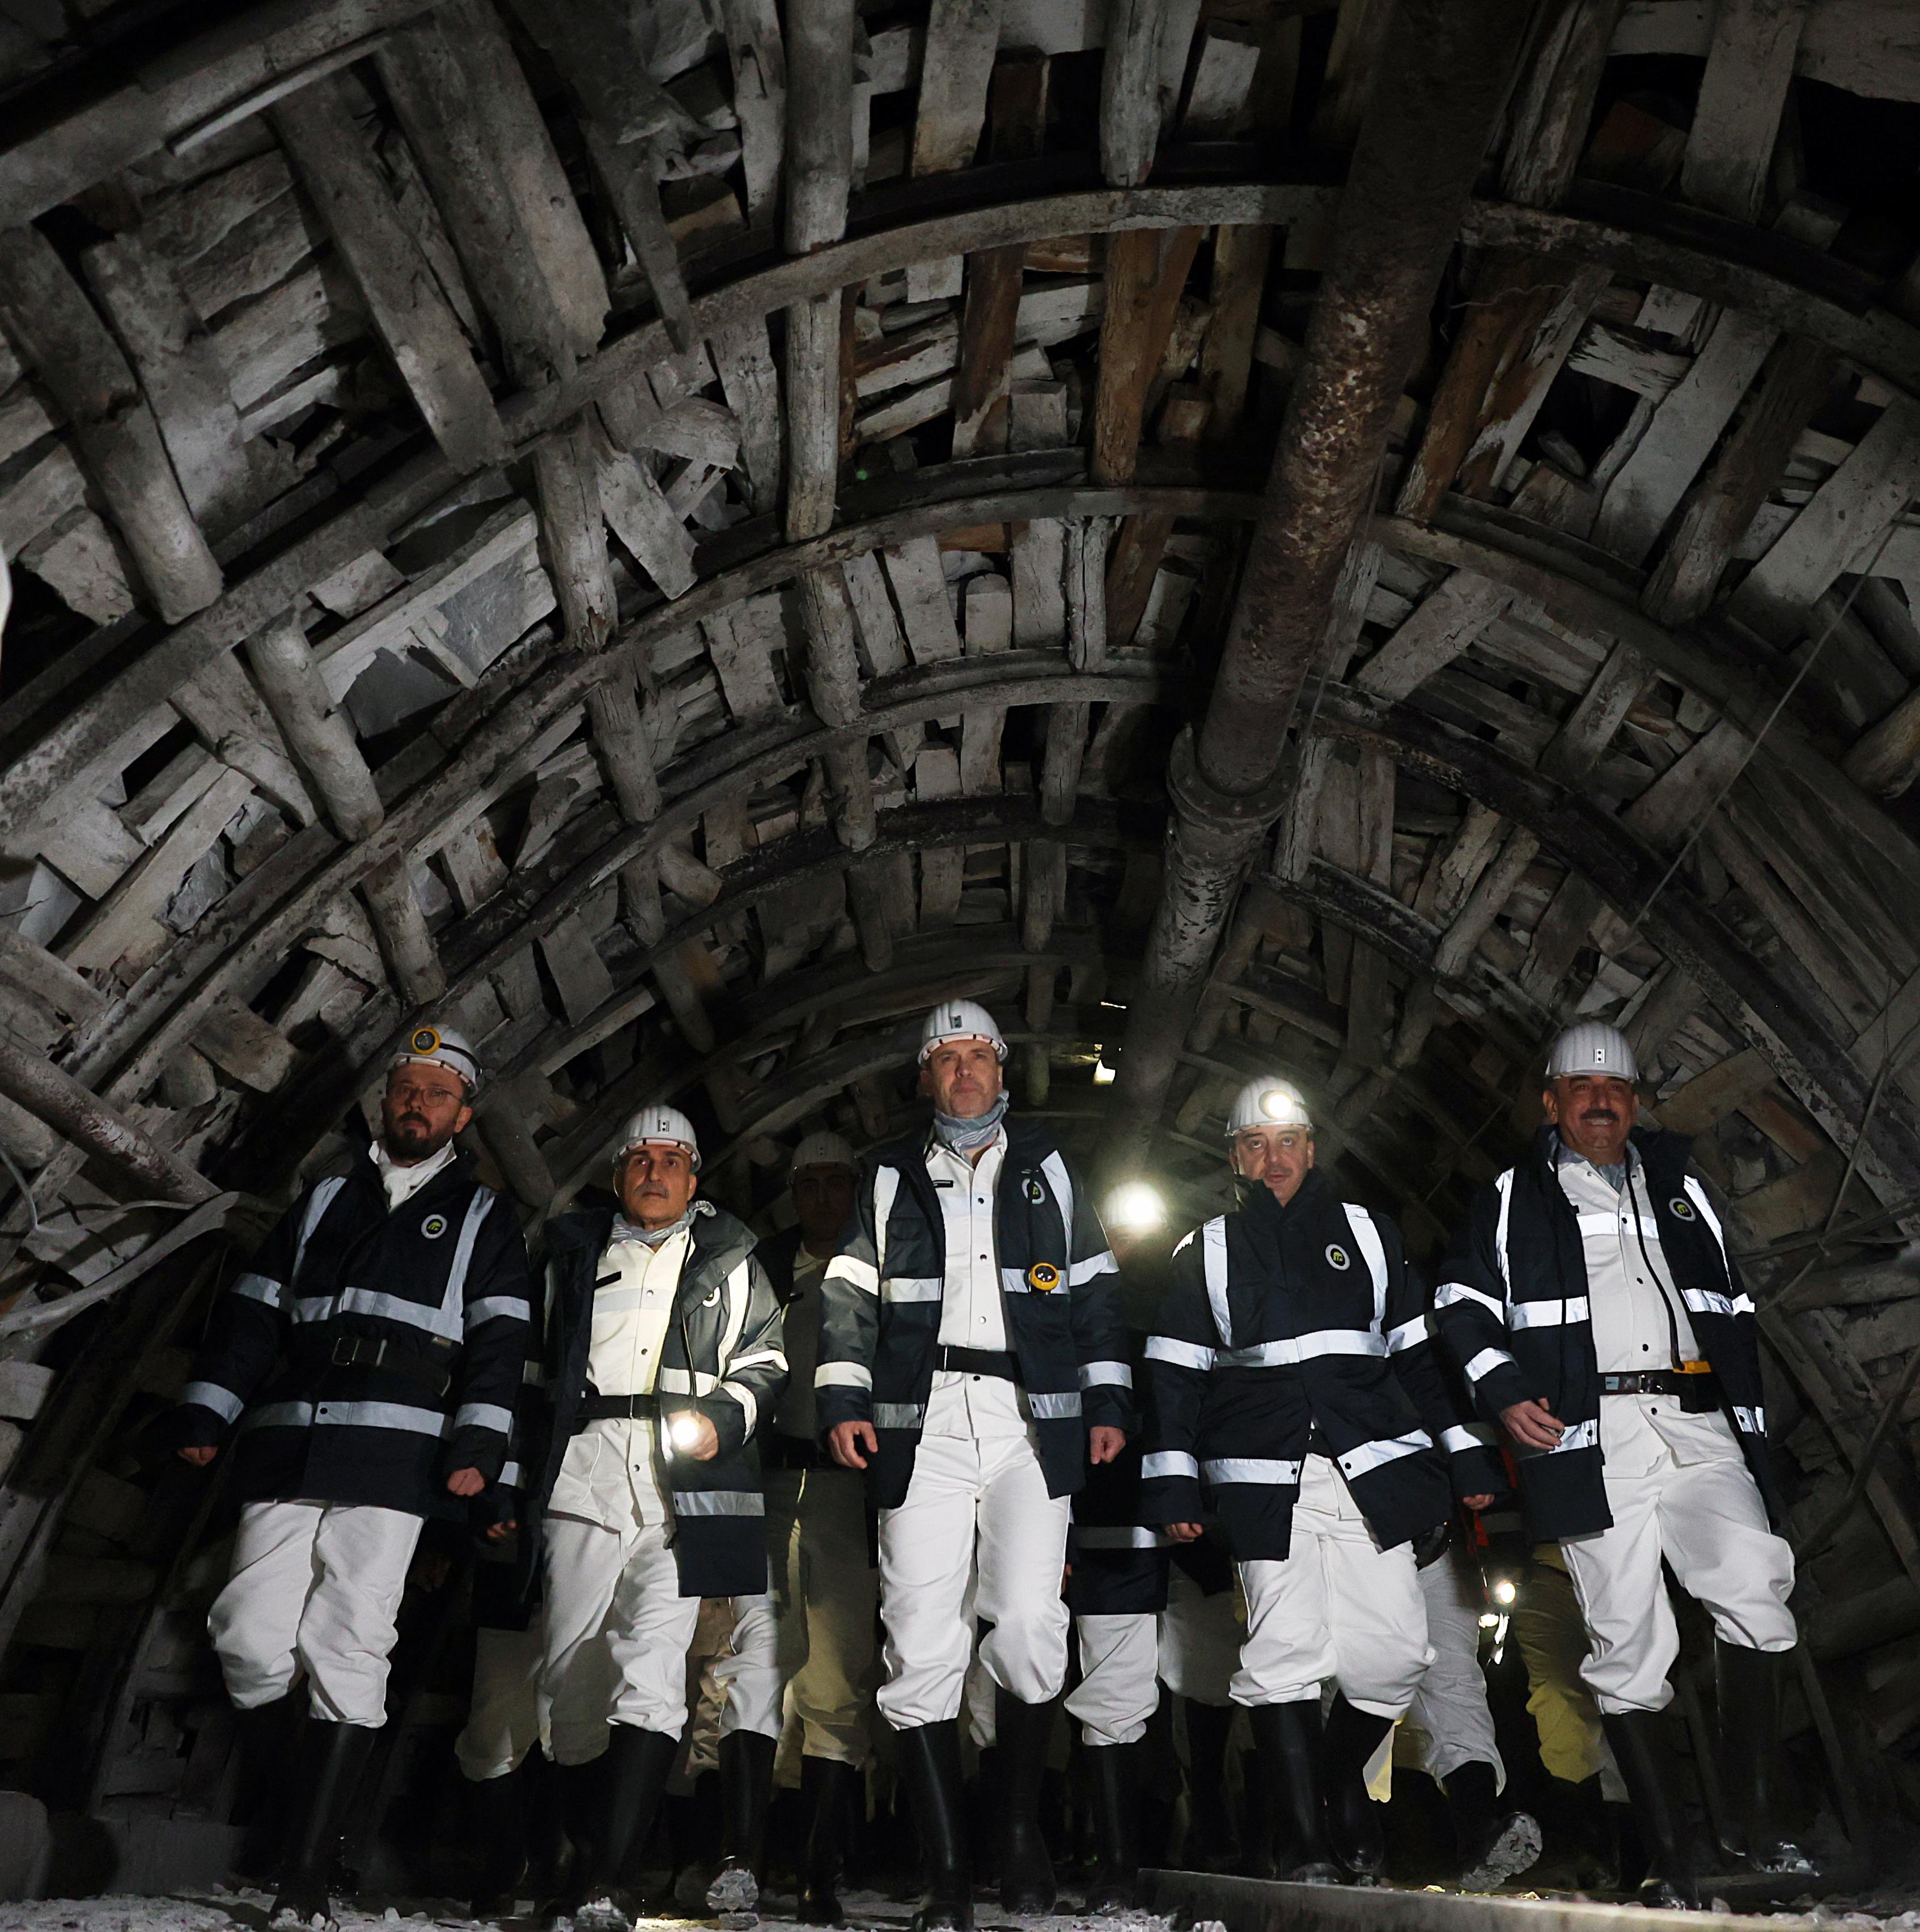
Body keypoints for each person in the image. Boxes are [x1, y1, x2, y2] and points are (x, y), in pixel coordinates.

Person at [1435, 1021, 1804, 1906]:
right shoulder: (1513, 1197)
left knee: (1755, 1577)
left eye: (1618, 1091)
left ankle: (1754, 1830)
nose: (1602, 1102)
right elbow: (1458, 1302)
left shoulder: (1680, 1187)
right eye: (1583, 1089)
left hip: (1696, 1423)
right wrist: (1505, 1392)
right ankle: (1673, 1856)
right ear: (1552, 1101)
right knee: (1630, 1639)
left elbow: (1731, 1304)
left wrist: (1748, 1417)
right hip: (1589, 1440)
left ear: (1634, 1104)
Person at [174, 1027, 531, 1930]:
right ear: (386, 1102)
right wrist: (208, 1409)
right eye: (406, 1088)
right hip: (291, 1442)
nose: (419, 1103)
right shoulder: (326, 1196)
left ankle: (304, 1869)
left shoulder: (484, 1219)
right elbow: (256, 1313)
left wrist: (477, 1452)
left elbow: (501, 1348)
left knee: (350, 1643)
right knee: (248, 1635)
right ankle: (314, 1823)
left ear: (464, 1114)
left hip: (396, 1458)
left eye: (437, 1093)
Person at [816, 999, 1129, 1931]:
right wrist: (843, 1400)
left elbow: (1097, 1295)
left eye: (978, 1057)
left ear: (1003, 1070)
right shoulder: (884, 1175)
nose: (963, 1073)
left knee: (1033, 1621)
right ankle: (948, 1870)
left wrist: (1107, 1402)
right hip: (923, 1422)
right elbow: (847, 1296)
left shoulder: (1054, 1168)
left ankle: (1018, 1829)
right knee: (920, 1636)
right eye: (945, 1059)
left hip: (1030, 1419)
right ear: (925, 1077)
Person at [1143, 1076, 1501, 1884]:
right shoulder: (1207, 1251)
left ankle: (1335, 1786)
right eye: (1254, 1146)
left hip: (1369, 1474)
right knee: (1286, 1649)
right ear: (1234, 1158)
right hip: (1266, 1481)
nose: (1273, 1159)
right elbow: (1172, 1378)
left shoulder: (1371, 1236)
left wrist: (1465, 1451)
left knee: (1398, 1655)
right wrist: (1170, 1486)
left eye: (1287, 1142)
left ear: (1312, 1146)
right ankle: (1301, 1841)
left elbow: (1418, 1359)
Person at [526, 1105, 786, 1932]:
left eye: (672, 1159)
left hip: (683, 1486)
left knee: (654, 1669)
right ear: (617, 1176)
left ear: (694, 1178)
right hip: (583, 1476)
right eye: (640, 1158)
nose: (655, 1171)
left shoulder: (730, 1256)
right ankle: (578, 1852)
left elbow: (768, 1358)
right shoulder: (571, 1254)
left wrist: (724, 1416)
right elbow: (532, 1364)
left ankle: (614, 1877)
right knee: (568, 1680)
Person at [705, 1132, 878, 1923]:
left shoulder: (882, 1266)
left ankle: (818, 1865)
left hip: (847, 1488)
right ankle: (741, 1854)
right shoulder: (761, 1268)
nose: (821, 1197)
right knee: (750, 1661)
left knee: (838, 1670)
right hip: (764, 1480)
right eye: (808, 1183)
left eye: (836, 1182)